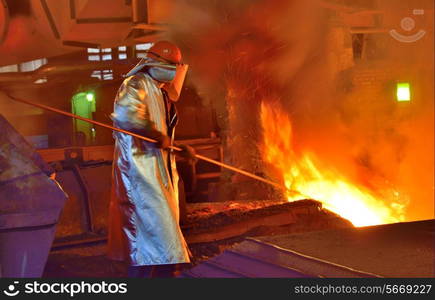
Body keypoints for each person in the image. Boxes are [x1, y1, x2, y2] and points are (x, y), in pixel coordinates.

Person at [107, 41, 196, 278]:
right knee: (146, 240)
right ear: (154, 62)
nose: (174, 71)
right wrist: (154, 134)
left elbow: (163, 131)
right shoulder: (135, 85)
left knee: (161, 238)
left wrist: (179, 148)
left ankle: (163, 277)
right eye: (171, 65)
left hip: (157, 173)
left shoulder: (160, 90)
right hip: (139, 173)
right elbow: (126, 117)